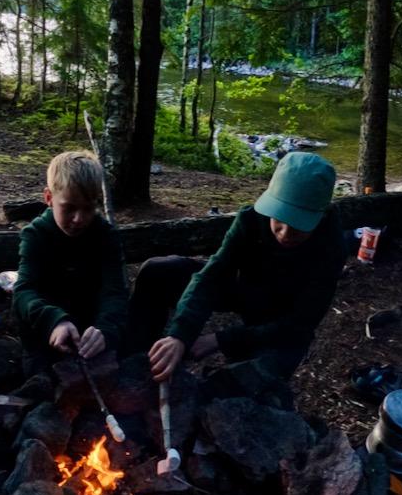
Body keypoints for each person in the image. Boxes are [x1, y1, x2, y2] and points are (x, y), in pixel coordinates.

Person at [130, 152, 344, 384]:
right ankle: (136, 360)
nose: (284, 234)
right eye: (279, 222)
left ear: (319, 216)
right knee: (158, 271)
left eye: (298, 227)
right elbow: (213, 275)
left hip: (282, 316)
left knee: (254, 380)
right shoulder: (251, 220)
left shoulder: (331, 247)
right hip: (245, 288)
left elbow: (300, 323)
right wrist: (180, 335)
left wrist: (221, 339)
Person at [12, 150, 128, 375]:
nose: (79, 219)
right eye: (69, 208)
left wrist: (106, 329)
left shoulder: (105, 235)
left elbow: (115, 292)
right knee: (42, 385)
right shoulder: (36, 235)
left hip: (89, 336)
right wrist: (54, 321)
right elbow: (24, 292)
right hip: (44, 335)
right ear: (49, 199)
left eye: (88, 208)